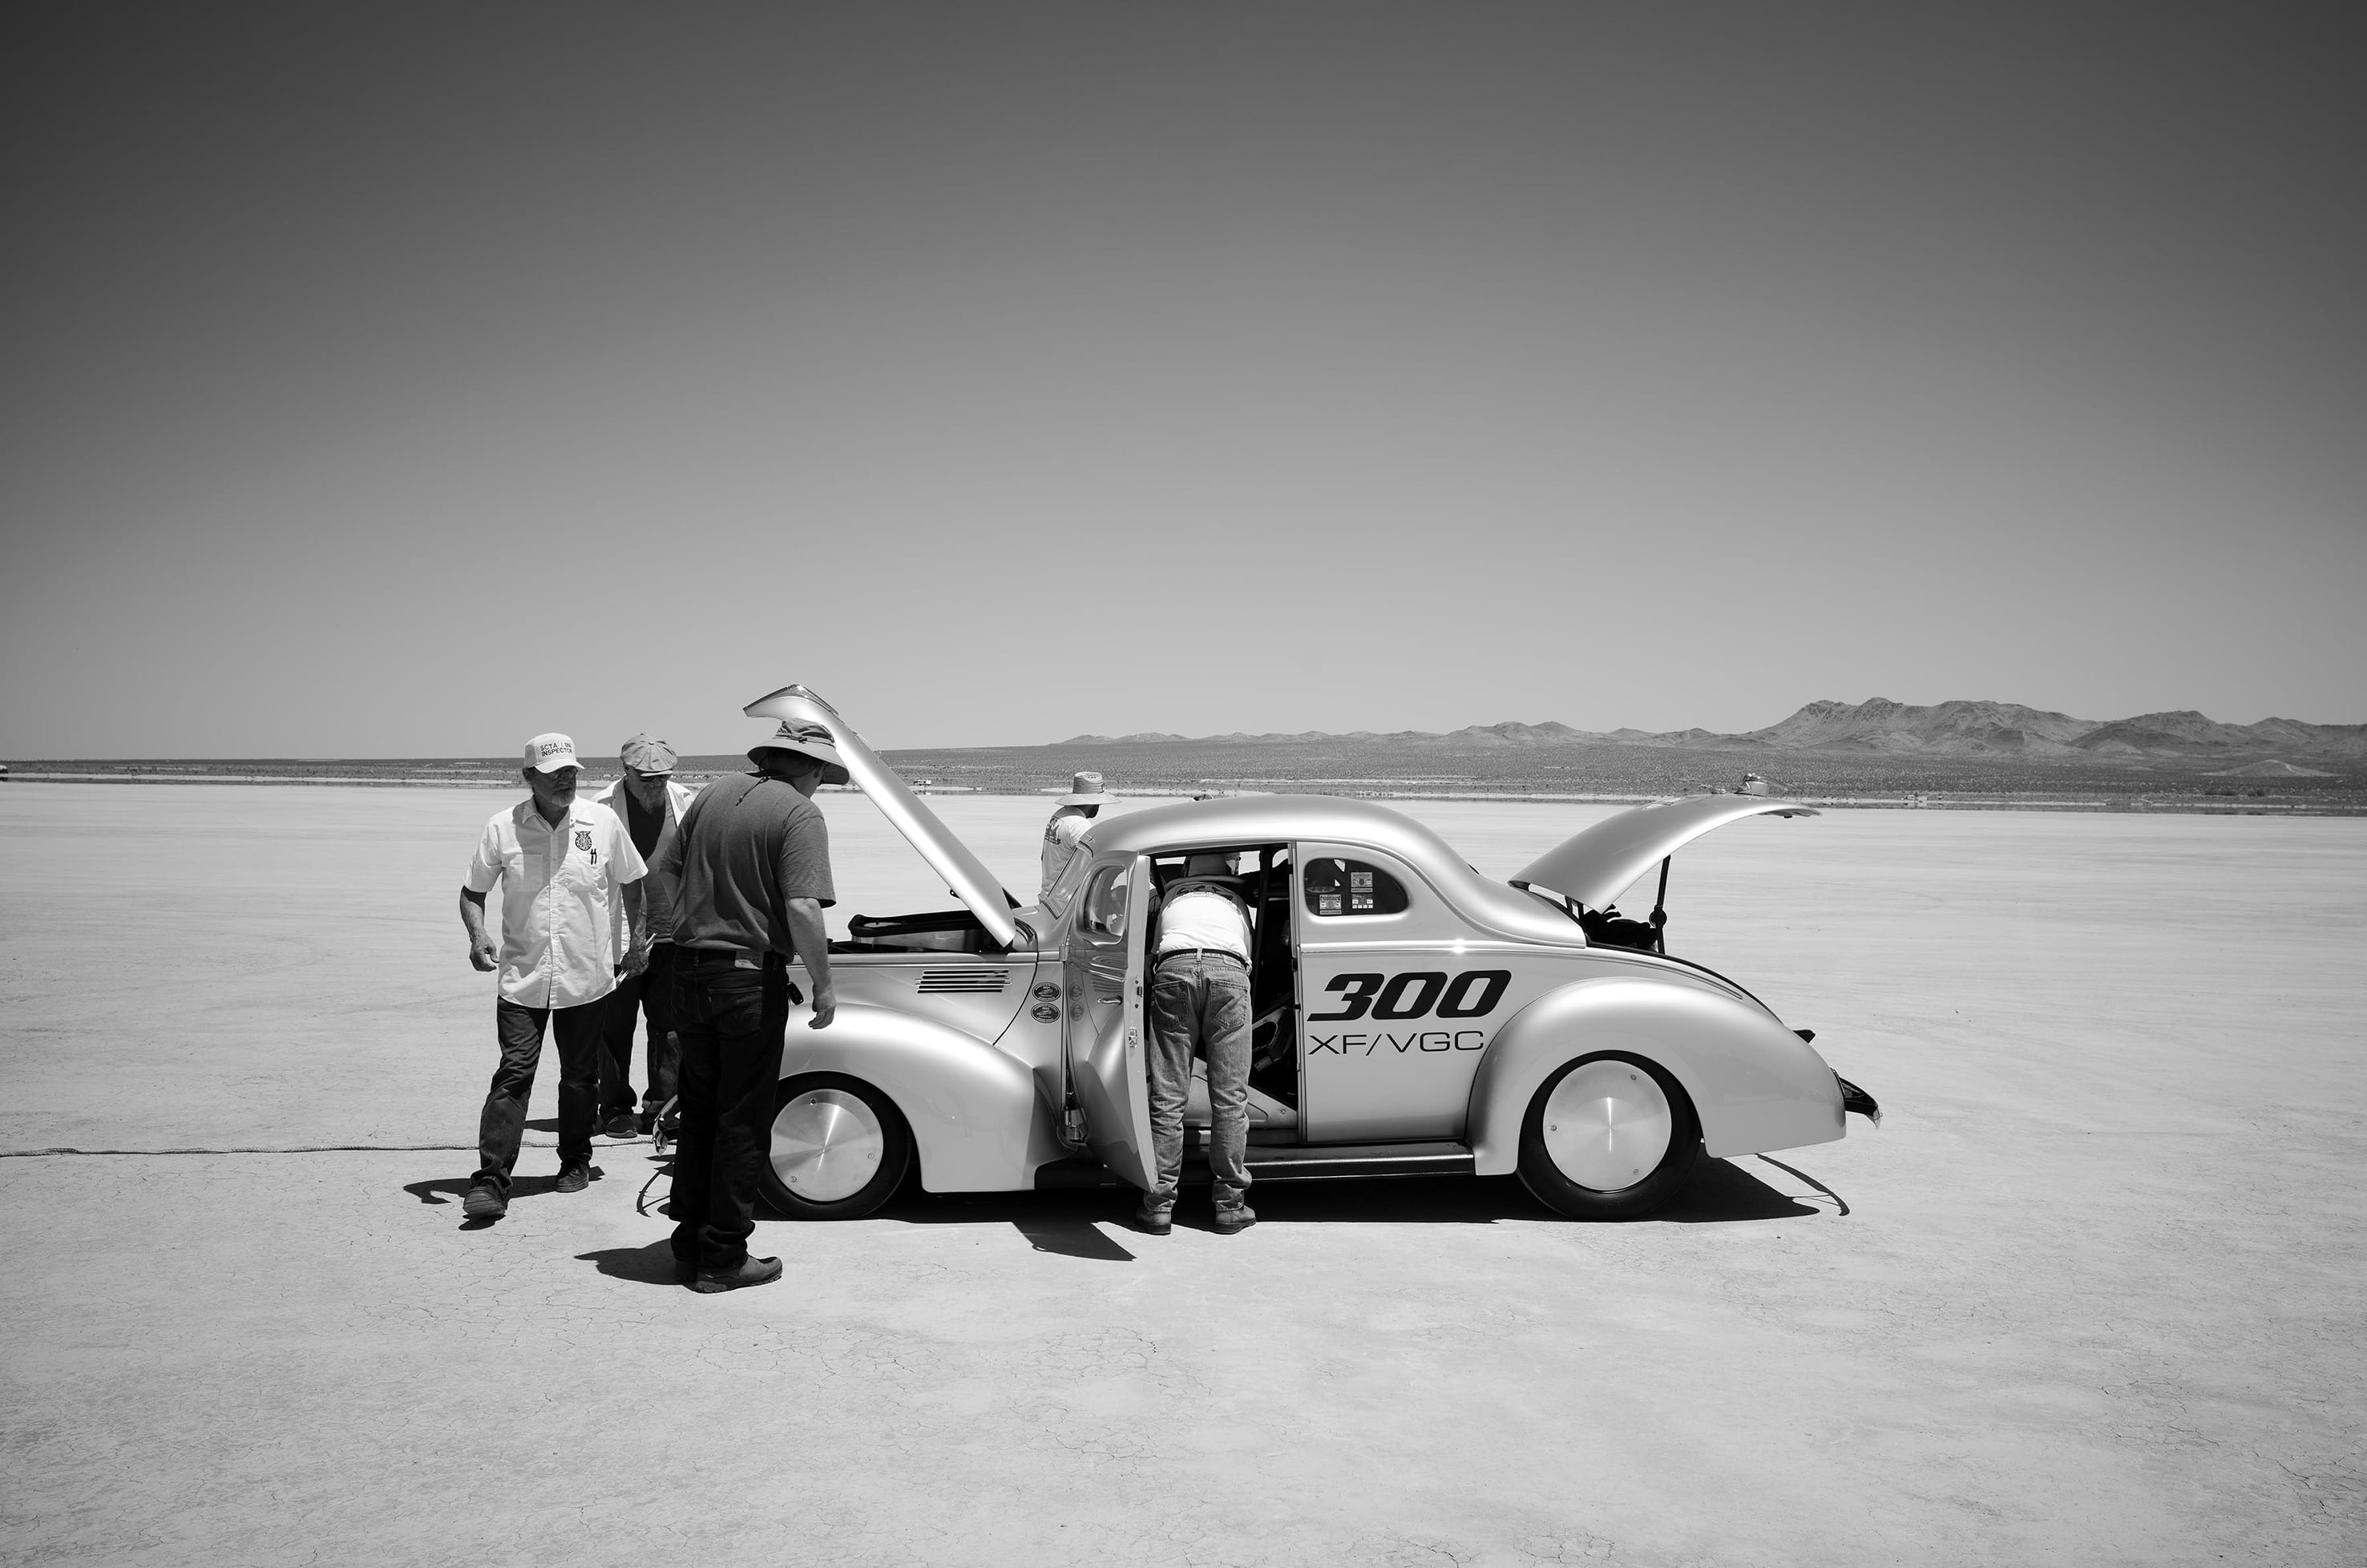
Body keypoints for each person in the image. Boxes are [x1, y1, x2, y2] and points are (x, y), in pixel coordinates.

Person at [653, 717, 843, 1293]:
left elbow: (664, 867)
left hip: (687, 972)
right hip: (743, 982)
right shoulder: (798, 812)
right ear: (811, 769)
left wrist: (689, 923)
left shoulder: (712, 792)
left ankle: (688, 1245)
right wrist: (823, 983)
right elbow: (804, 909)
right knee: (742, 1120)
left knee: (701, 1111)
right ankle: (723, 1256)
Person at [458, 733, 648, 1221]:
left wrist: (637, 943)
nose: (567, 779)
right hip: (522, 977)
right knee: (514, 1074)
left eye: (572, 771)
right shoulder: (502, 828)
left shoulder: (602, 822)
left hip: (586, 978)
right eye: (554, 773)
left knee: (581, 1077)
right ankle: (491, 1180)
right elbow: (472, 891)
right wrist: (478, 935)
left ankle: (576, 1160)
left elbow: (633, 882)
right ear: (529, 778)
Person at [1137, 851, 1255, 1236]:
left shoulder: (1172, 899)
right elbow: (1248, 953)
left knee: (1168, 1095)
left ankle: (1158, 1205)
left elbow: (1154, 952)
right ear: (1228, 869)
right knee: (1230, 1098)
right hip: (1229, 975)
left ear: (1188, 870)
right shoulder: (1235, 902)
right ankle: (1229, 1205)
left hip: (1175, 970)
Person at [592, 733, 699, 1138]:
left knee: (669, 1028)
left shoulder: (685, 801)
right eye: (646, 778)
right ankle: (616, 1107)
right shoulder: (601, 808)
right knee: (614, 1027)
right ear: (626, 772)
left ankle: (662, 1108)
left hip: (673, 935)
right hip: (618, 939)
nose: (656, 785)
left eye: (662, 777)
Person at [1040, 770, 1113, 895]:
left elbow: (1044, 856)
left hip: (1048, 893)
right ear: (1093, 802)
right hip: (1065, 900)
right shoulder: (1080, 825)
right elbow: (1092, 867)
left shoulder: (1059, 815)